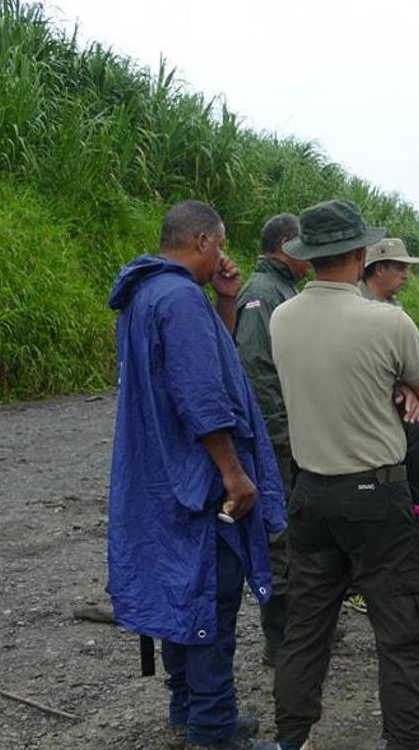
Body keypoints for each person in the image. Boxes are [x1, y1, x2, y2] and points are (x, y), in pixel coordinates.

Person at [107, 200, 287, 750]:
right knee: (212, 596)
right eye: (223, 243)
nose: (226, 255)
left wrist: (226, 302)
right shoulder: (179, 299)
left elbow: (212, 360)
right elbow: (202, 397)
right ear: (204, 242)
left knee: (182, 592)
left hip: (161, 476)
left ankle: (189, 710)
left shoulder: (144, 293)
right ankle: (213, 730)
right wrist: (235, 474)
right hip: (197, 479)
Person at [269, 200, 419, 750]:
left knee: (306, 629)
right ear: (361, 254)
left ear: (309, 255)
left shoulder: (281, 316)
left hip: (311, 491)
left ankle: (291, 739)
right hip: (377, 492)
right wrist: (403, 388)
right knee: (402, 634)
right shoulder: (387, 320)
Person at [234, 213, 312, 667]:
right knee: (279, 535)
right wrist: (280, 436)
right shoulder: (262, 295)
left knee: (297, 532)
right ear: (285, 245)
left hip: (289, 435)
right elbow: (256, 373)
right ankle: (279, 643)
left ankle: (299, 631)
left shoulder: (283, 290)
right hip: (275, 440)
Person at [360, 238, 419, 594]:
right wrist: (401, 385)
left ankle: (414, 570)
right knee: (379, 501)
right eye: (400, 267)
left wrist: (410, 385)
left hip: (410, 421)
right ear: (378, 267)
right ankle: (367, 582)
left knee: (416, 495)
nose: (407, 275)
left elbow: (413, 374)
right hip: (375, 425)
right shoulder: (356, 307)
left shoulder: (393, 307)